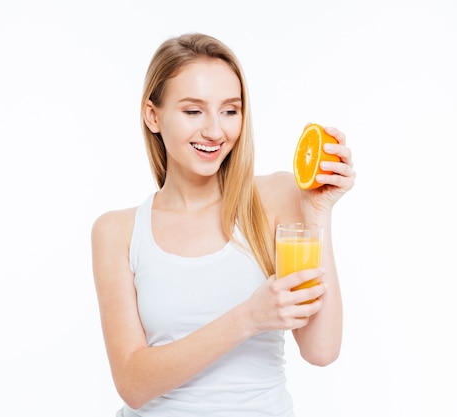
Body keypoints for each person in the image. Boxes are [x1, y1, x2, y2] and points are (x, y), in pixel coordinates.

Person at [91, 32, 355, 417]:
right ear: (153, 116)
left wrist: (318, 214)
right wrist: (248, 318)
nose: (215, 131)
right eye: (193, 111)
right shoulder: (117, 232)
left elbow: (322, 350)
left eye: (230, 111)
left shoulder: (275, 197)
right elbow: (132, 384)